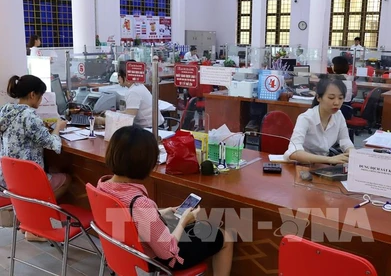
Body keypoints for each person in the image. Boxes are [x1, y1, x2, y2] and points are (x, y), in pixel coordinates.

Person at [97, 126, 233, 274]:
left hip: (126, 253)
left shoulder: (103, 186)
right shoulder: (140, 203)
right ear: (145, 164)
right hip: (156, 259)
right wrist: (184, 221)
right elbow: (167, 252)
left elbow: (129, 216)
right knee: (225, 237)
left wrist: (161, 212)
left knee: (198, 227)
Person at [0, 75, 71, 240]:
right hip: (28, 182)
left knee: (53, 170)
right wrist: (58, 128)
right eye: (40, 96)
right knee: (66, 179)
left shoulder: (5, 110)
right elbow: (53, 145)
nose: (41, 100)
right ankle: (35, 226)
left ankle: (28, 221)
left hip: (8, 179)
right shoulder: (30, 117)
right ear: (32, 94)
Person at [284, 78, 354, 164]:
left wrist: (353, 154)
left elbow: (344, 140)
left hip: (323, 166)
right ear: (318, 97)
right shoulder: (306, 118)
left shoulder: (338, 115)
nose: (337, 102)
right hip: (302, 166)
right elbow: (293, 152)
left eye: (340, 98)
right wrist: (329, 160)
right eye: (331, 98)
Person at [117, 60, 164, 128]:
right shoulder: (138, 86)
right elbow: (129, 112)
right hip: (155, 126)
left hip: (150, 129)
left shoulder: (133, 92)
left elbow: (128, 118)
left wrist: (104, 120)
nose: (118, 78)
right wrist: (114, 114)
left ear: (125, 76)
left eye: (119, 75)